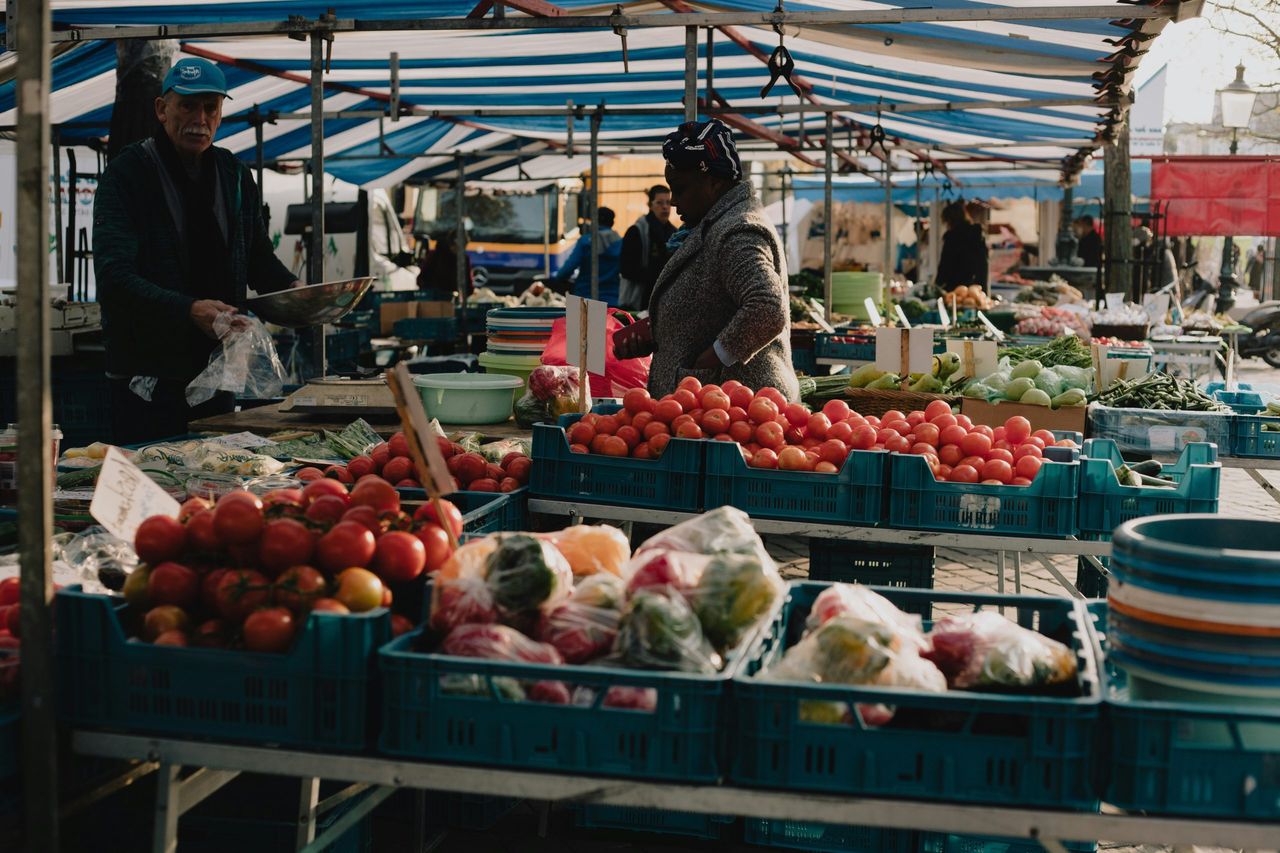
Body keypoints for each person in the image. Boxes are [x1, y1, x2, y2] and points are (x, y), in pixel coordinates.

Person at [94, 57, 301, 445]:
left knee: (213, 484)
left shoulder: (234, 175)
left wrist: (296, 290)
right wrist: (189, 310)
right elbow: (113, 278)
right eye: (187, 105)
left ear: (221, 113)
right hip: (148, 379)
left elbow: (257, 257)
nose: (199, 118)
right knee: (154, 482)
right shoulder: (128, 174)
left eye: (210, 107)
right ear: (162, 109)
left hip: (218, 370)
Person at [612, 119, 799, 402]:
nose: (673, 202)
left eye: (680, 189)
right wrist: (661, 332)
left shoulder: (738, 229)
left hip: (734, 408)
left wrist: (706, 364)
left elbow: (767, 309)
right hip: (714, 406)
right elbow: (712, 306)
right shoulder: (717, 224)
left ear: (713, 182)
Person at [619, 185, 676, 311]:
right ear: (650, 205)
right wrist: (656, 276)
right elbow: (626, 269)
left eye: (668, 202)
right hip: (637, 301)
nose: (665, 207)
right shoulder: (636, 231)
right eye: (659, 203)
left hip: (665, 301)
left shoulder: (674, 233)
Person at [552, 207, 624, 306]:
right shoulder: (621, 243)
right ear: (612, 223)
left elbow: (568, 268)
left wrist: (559, 278)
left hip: (585, 299)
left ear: (594, 221)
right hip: (612, 299)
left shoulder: (585, 242)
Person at [934, 201, 988, 292]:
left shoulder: (951, 237)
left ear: (950, 220)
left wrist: (937, 285)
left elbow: (945, 265)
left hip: (954, 287)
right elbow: (983, 264)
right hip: (975, 286)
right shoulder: (977, 235)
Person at [417, 231, 471, 299]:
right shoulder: (435, 255)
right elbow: (422, 278)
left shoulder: (464, 259)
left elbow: (468, 285)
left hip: (451, 298)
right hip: (433, 298)